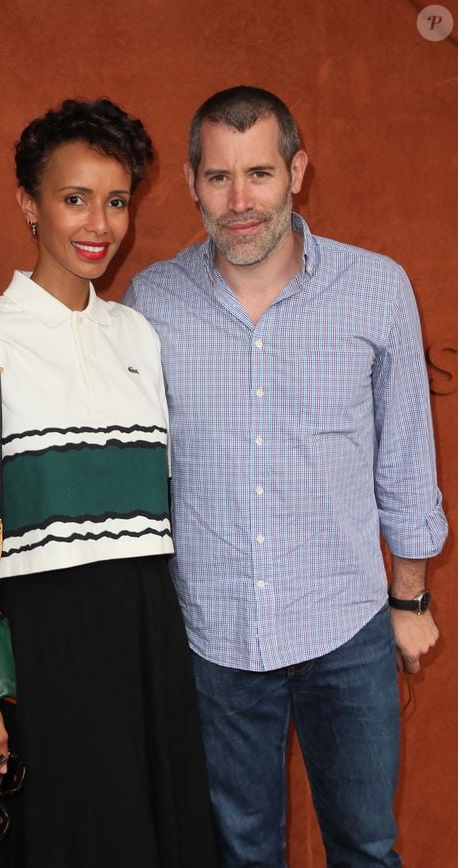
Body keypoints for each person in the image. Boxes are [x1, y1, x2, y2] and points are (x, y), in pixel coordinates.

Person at [122, 85, 448, 867]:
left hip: (348, 629)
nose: (240, 202)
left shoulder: (377, 288)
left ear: (297, 171)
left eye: (260, 174)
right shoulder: (150, 303)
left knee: (367, 847)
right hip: (214, 640)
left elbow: (405, 454)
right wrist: (13, 316)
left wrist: (410, 599)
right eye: (219, 178)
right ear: (193, 182)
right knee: (241, 855)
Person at [0, 97, 218, 867]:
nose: (99, 225)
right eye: (74, 198)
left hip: (151, 629)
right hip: (46, 638)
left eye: (116, 201)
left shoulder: (138, 334)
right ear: (30, 203)